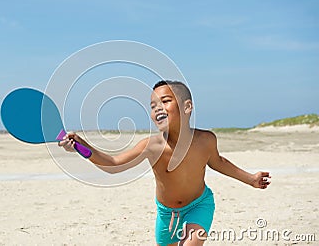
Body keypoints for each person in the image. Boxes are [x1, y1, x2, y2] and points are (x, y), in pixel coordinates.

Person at [58, 80, 271, 246]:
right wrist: (81, 146)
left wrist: (250, 179)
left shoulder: (206, 140)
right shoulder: (151, 146)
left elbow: (218, 162)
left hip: (199, 204)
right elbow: (113, 164)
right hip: (166, 213)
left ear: (187, 107)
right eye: (153, 106)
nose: (158, 108)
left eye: (165, 101)